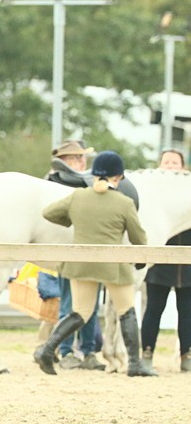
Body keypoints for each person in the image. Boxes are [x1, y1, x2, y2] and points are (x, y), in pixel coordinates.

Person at [36, 151, 152, 376]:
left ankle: (47, 350)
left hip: (82, 265)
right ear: (117, 177)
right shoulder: (124, 202)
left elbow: (48, 213)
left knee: (80, 312)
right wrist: (140, 259)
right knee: (126, 310)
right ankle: (135, 364)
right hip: (113, 265)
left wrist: (72, 220)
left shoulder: (78, 197)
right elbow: (139, 238)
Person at [44, 140, 106, 370]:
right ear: (66, 161)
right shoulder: (53, 185)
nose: (82, 162)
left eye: (82, 158)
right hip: (68, 252)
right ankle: (66, 349)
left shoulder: (92, 184)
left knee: (90, 305)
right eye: (77, 158)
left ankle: (88, 351)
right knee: (70, 303)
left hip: (92, 253)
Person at [141, 149, 191, 374]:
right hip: (159, 262)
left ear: (183, 168)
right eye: (166, 162)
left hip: (188, 264)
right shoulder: (150, 193)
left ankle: (186, 355)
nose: (171, 166)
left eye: (175, 162)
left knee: (187, 312)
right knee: (153, 309)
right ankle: (147, 353)